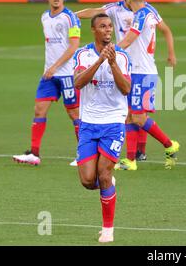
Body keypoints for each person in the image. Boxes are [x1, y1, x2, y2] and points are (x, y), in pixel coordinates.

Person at [76, 0, 177, 162]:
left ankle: (164, 146)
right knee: (132, 113)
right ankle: (133, 157)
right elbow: (97, 12)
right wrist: (75, 15)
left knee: (137, 116)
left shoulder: (144, 13)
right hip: (129, 67)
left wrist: (111, 51)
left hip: (141, 68)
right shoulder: (118, 8)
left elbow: (131, 38)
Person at [73, 13, 131, 243]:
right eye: (103, 27)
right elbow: (78, 83)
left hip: (113, 122)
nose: (108, 30)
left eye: (110, 26)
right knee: (88, 181)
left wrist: (112, 63)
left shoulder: (122, 56)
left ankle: (108, 229)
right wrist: (99, 62)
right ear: (94, 30)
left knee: (104, 173)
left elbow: (126, 88)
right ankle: (108, 185)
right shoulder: (83, 54)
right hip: (88, 123)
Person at [13, 0, 81, 165]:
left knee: (74, 114)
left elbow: (74, 46)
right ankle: (34, 153)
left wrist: (55, 66)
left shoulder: (70, 18)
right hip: (49, 75)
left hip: (67, 74)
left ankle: (83, 154)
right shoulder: (44, 17)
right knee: (39, 109)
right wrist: (50, 68)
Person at [115, 0, 179, 171]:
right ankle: (131, 160)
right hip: (140, 71)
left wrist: (109, 52)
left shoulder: (141, 15)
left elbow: (128, 40)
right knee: (130, 116)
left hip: (141, 72)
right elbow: (166, 30)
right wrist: (171, 53)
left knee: (138, 117)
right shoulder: (150, 12)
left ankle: (169, 144)